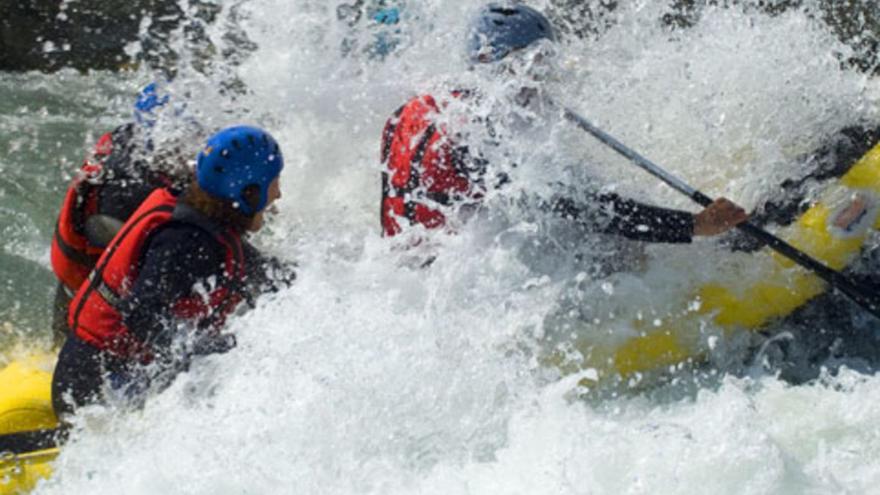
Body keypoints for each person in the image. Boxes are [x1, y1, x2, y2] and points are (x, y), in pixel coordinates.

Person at [380, 3, 748, 266]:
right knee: (611, 242)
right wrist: (694, 226)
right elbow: (580, 210)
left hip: (407, 269)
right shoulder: (472, 136)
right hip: (450, 283)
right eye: (535, 65)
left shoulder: (420, 108)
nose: (542, 79)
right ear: (505, 64)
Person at [51, 125, 294, 417]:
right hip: (92, 389)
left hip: (103, 370)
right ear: (248, 193)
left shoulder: (205, 219)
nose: (278, 194)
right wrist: (210, 350)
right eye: (274, 182)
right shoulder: (187, 242)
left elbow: (264, 272)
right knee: (223, 358)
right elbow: (140, 313)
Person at [50, 82, 200, 344]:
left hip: (90, 289)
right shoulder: (128, 193)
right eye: (187, 143)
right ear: (161, 142)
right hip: (87, 301)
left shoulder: (131, 144)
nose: (195, 152)